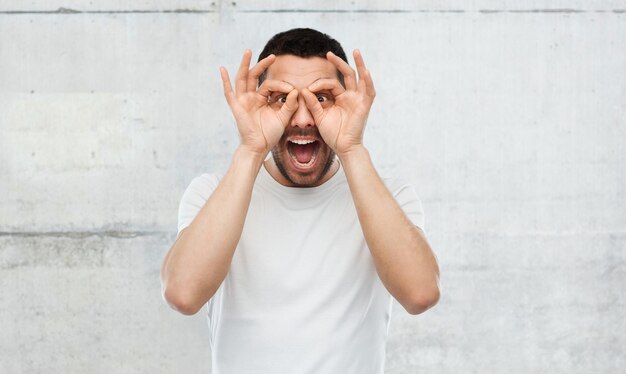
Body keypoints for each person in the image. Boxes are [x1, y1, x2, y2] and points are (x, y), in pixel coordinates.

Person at [160, 28, 440, 373]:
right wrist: (251, 148)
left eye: (321, 98)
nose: (304, 118)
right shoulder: (213, 193)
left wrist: (351, 148)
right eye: (283, 98)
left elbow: (421, 294)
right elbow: (182, 294)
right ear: (260, 101)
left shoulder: (390, 198)